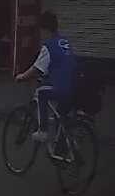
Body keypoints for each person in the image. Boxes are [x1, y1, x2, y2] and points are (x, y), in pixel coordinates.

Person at [15, 11, 77, 143]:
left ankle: (43, 131)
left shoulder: (48, 46)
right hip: (74, 85)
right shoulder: (64, 41)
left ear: (45, 29)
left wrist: (22, 77)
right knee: (60, 115)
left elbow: (36, 69)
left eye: (41, 30)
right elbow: (62, 63)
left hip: (61, 87)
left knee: (40, 92)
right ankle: (63, 146)